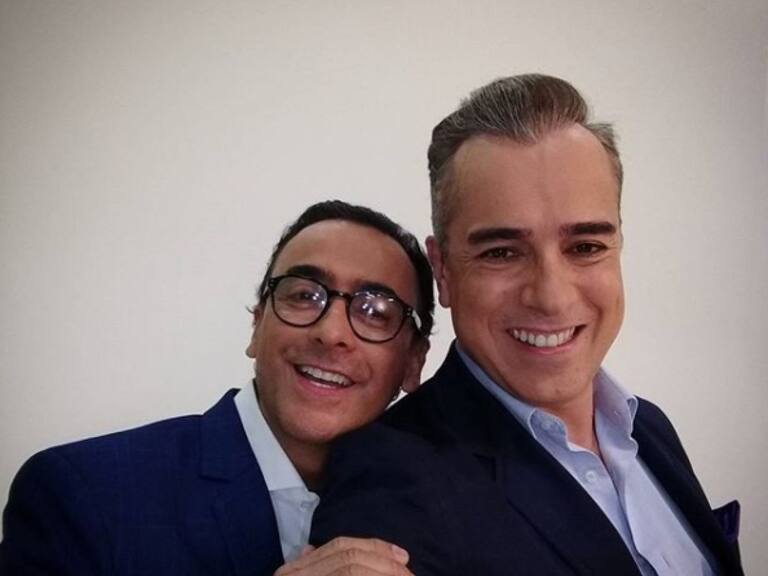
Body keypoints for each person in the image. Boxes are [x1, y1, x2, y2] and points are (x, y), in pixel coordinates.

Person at [311, 76, 743, 575]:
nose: (552, 296)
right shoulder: (391, 481)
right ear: (443, 271)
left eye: (586, 247)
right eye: (501, 253)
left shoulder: (649, 427)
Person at [0, 200, 433, 576]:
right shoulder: (82, 494)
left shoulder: (436, 513)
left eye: (375, 311)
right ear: (257, 323)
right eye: (304, 295)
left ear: (413, 362)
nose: (331, 332)